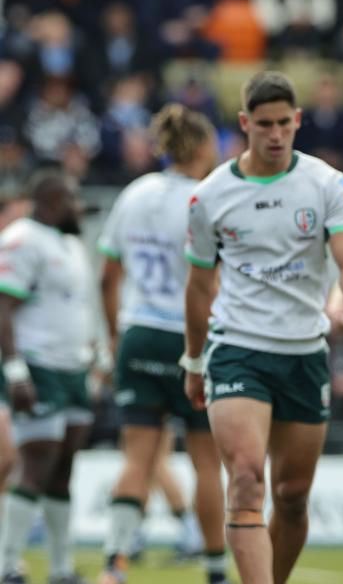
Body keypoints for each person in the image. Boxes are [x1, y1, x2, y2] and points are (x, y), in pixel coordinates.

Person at [182, 71, 343, 584]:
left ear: (298, 121)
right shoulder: (209, 196)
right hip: (237, 349)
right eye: (262, 124)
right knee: (246, 480)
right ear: (244, 123)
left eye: (283, 123)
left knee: (291, 497)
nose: (274, 134)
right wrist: (194, 361)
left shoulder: (328, 183)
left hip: (304, 352)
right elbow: (199, 289)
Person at [95, 103, 226, 584]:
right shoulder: (205, 198)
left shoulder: (134, 193)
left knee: (138, 456)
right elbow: (212, 284)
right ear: (200, 146)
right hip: (190, 335)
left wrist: (115, 336)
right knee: (206, 461)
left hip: (138, 333)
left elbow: (107, 276)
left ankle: (115, 563)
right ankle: (214, 568)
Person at [0, 169, 98, 584]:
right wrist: (15, 368)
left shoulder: (71, 243)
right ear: (53, 202)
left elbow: (77, 307)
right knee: (37, 461)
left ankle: (60, 568)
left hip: (73, 366)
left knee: (64, 467)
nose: (79, 209)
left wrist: (96, 354)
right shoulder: (22, 239)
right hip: (39, 366)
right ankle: (8, 564)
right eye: (73, 201)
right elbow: (4, 306)